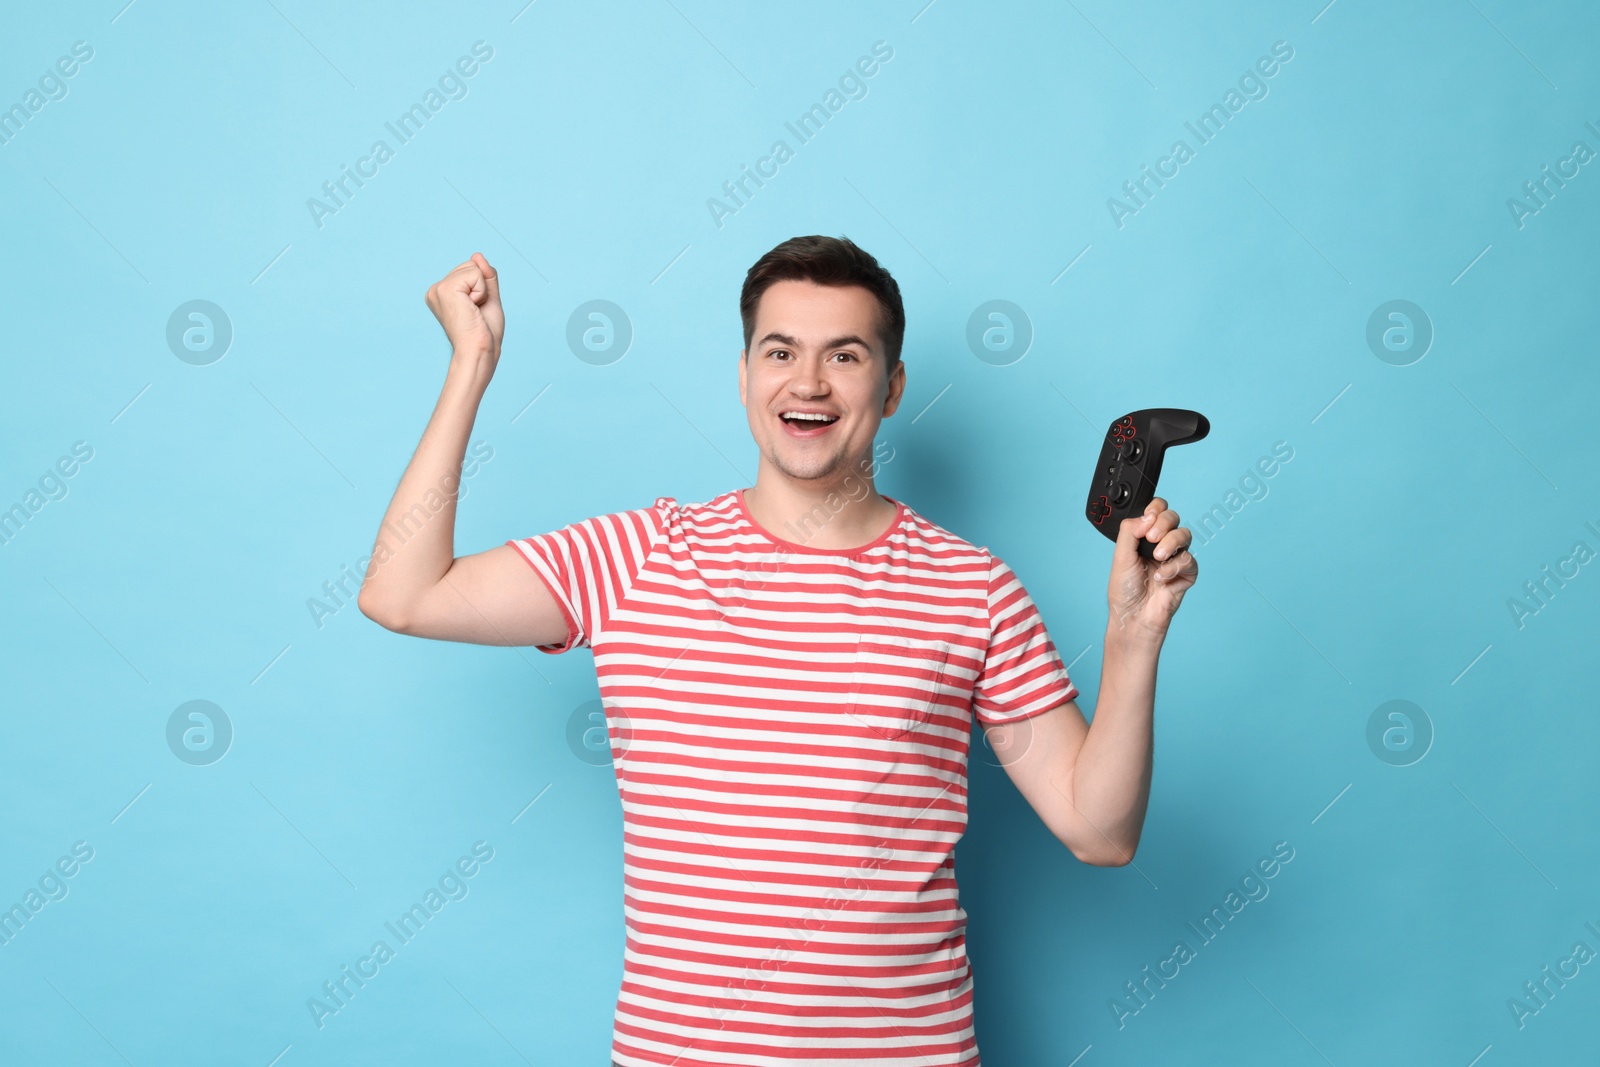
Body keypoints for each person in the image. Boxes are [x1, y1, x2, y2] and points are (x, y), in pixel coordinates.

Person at [357, 236, 1198, 1066]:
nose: (807, 383)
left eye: (845, 355)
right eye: (781, 351)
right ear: (744, 375)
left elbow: (1099, 829)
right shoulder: (636, 558)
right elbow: (403, 592)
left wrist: (1134, 630)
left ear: (893, 386)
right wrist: (471, 364)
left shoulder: (972, 589)